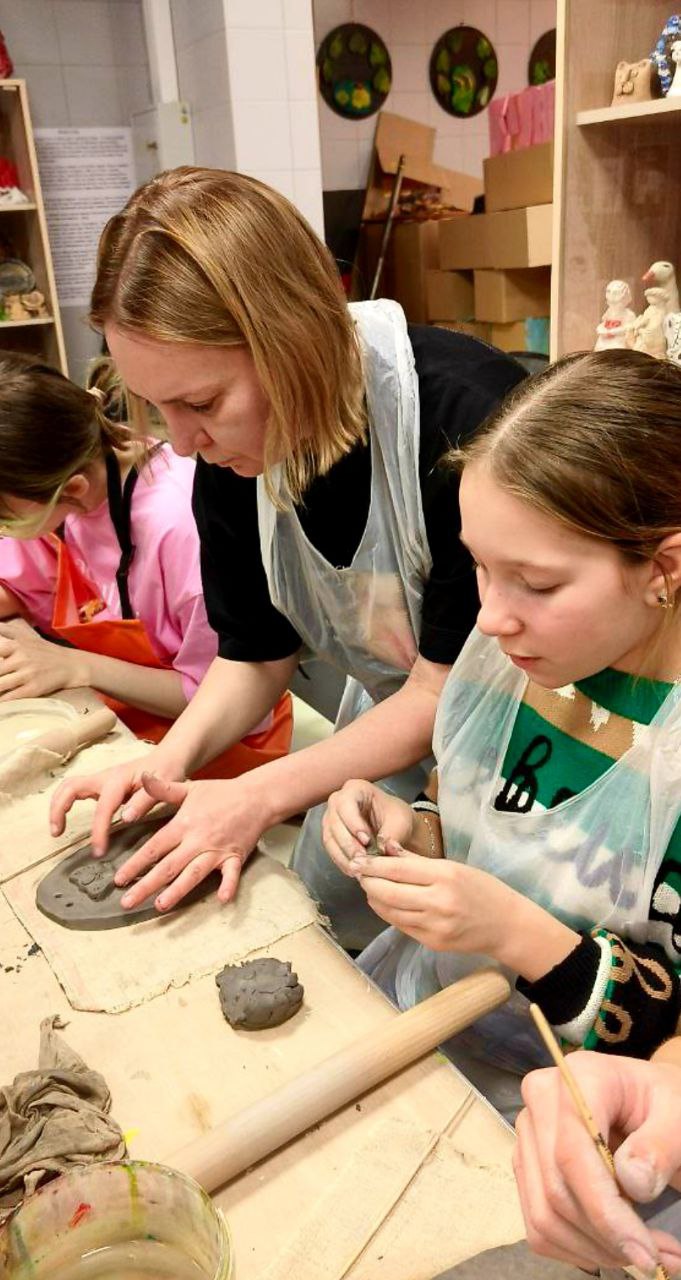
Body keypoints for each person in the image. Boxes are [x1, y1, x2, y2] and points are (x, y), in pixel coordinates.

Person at [49, 165, 524, 935]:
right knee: (322, 914)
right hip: (395, 724)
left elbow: (451, 689)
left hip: (540, 743)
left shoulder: (466, 421)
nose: (182, 443)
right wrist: (167, 764)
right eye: (160, 409)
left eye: (200, 403)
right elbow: (255, 655)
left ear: (291, 340)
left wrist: (259, 795)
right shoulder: (233, 454)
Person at [322, 348, 681, 1123]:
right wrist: (411, 831)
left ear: (663, 568)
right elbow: (468, 813)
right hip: (430, 1034)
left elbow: (670, 1053)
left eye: (536, 583)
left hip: (582, 1120)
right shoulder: (512, 658)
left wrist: (519, 935)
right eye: (479, 568)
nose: (489, 617)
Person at [0, 352, 292, 777]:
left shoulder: (179, 527)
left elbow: (228, 692)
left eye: (3, 516)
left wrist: (76, 666)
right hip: (132, 716)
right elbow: (18, 584)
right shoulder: (67, 488)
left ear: (74, 489)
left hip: (226, 744)